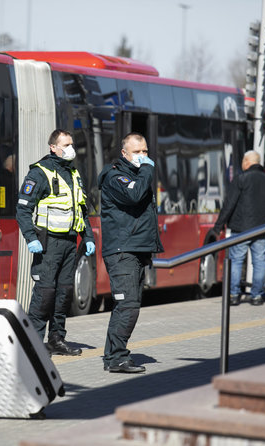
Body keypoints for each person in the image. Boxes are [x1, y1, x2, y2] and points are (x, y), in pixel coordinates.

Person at [15, 129, 95, 356]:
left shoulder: (73, 173)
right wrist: (31, 238)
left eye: (71, 144)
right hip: (48, 243)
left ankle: (56, 339)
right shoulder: (40, 173)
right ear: (53, 148)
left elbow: (81, 210)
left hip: (70, 243)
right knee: (45, 293)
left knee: (64, 294)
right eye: (66, 145)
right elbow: (23, 209)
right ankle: (33, 343)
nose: (70, 149)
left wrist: (87, 237)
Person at [98, 132, 163, 373]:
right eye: (137, 152)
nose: (143, 156)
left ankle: (113, 356)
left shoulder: (136, 175)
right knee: (128, 306)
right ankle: (117, 358)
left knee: (126, 306)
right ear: (124, 154)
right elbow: (134, 195)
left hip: (135, 249)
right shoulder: (116, 177)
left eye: (145, 151)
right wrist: (147, 170)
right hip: (122, 250)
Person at [212, 150, 265, 306]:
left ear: (247, 162)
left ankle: (234, 295)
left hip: (240, 229)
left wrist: (218, 226)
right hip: (262, 230)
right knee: (259, 262)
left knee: (236, 261)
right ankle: (256, 296)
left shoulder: (240, 179)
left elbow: (229, 204)